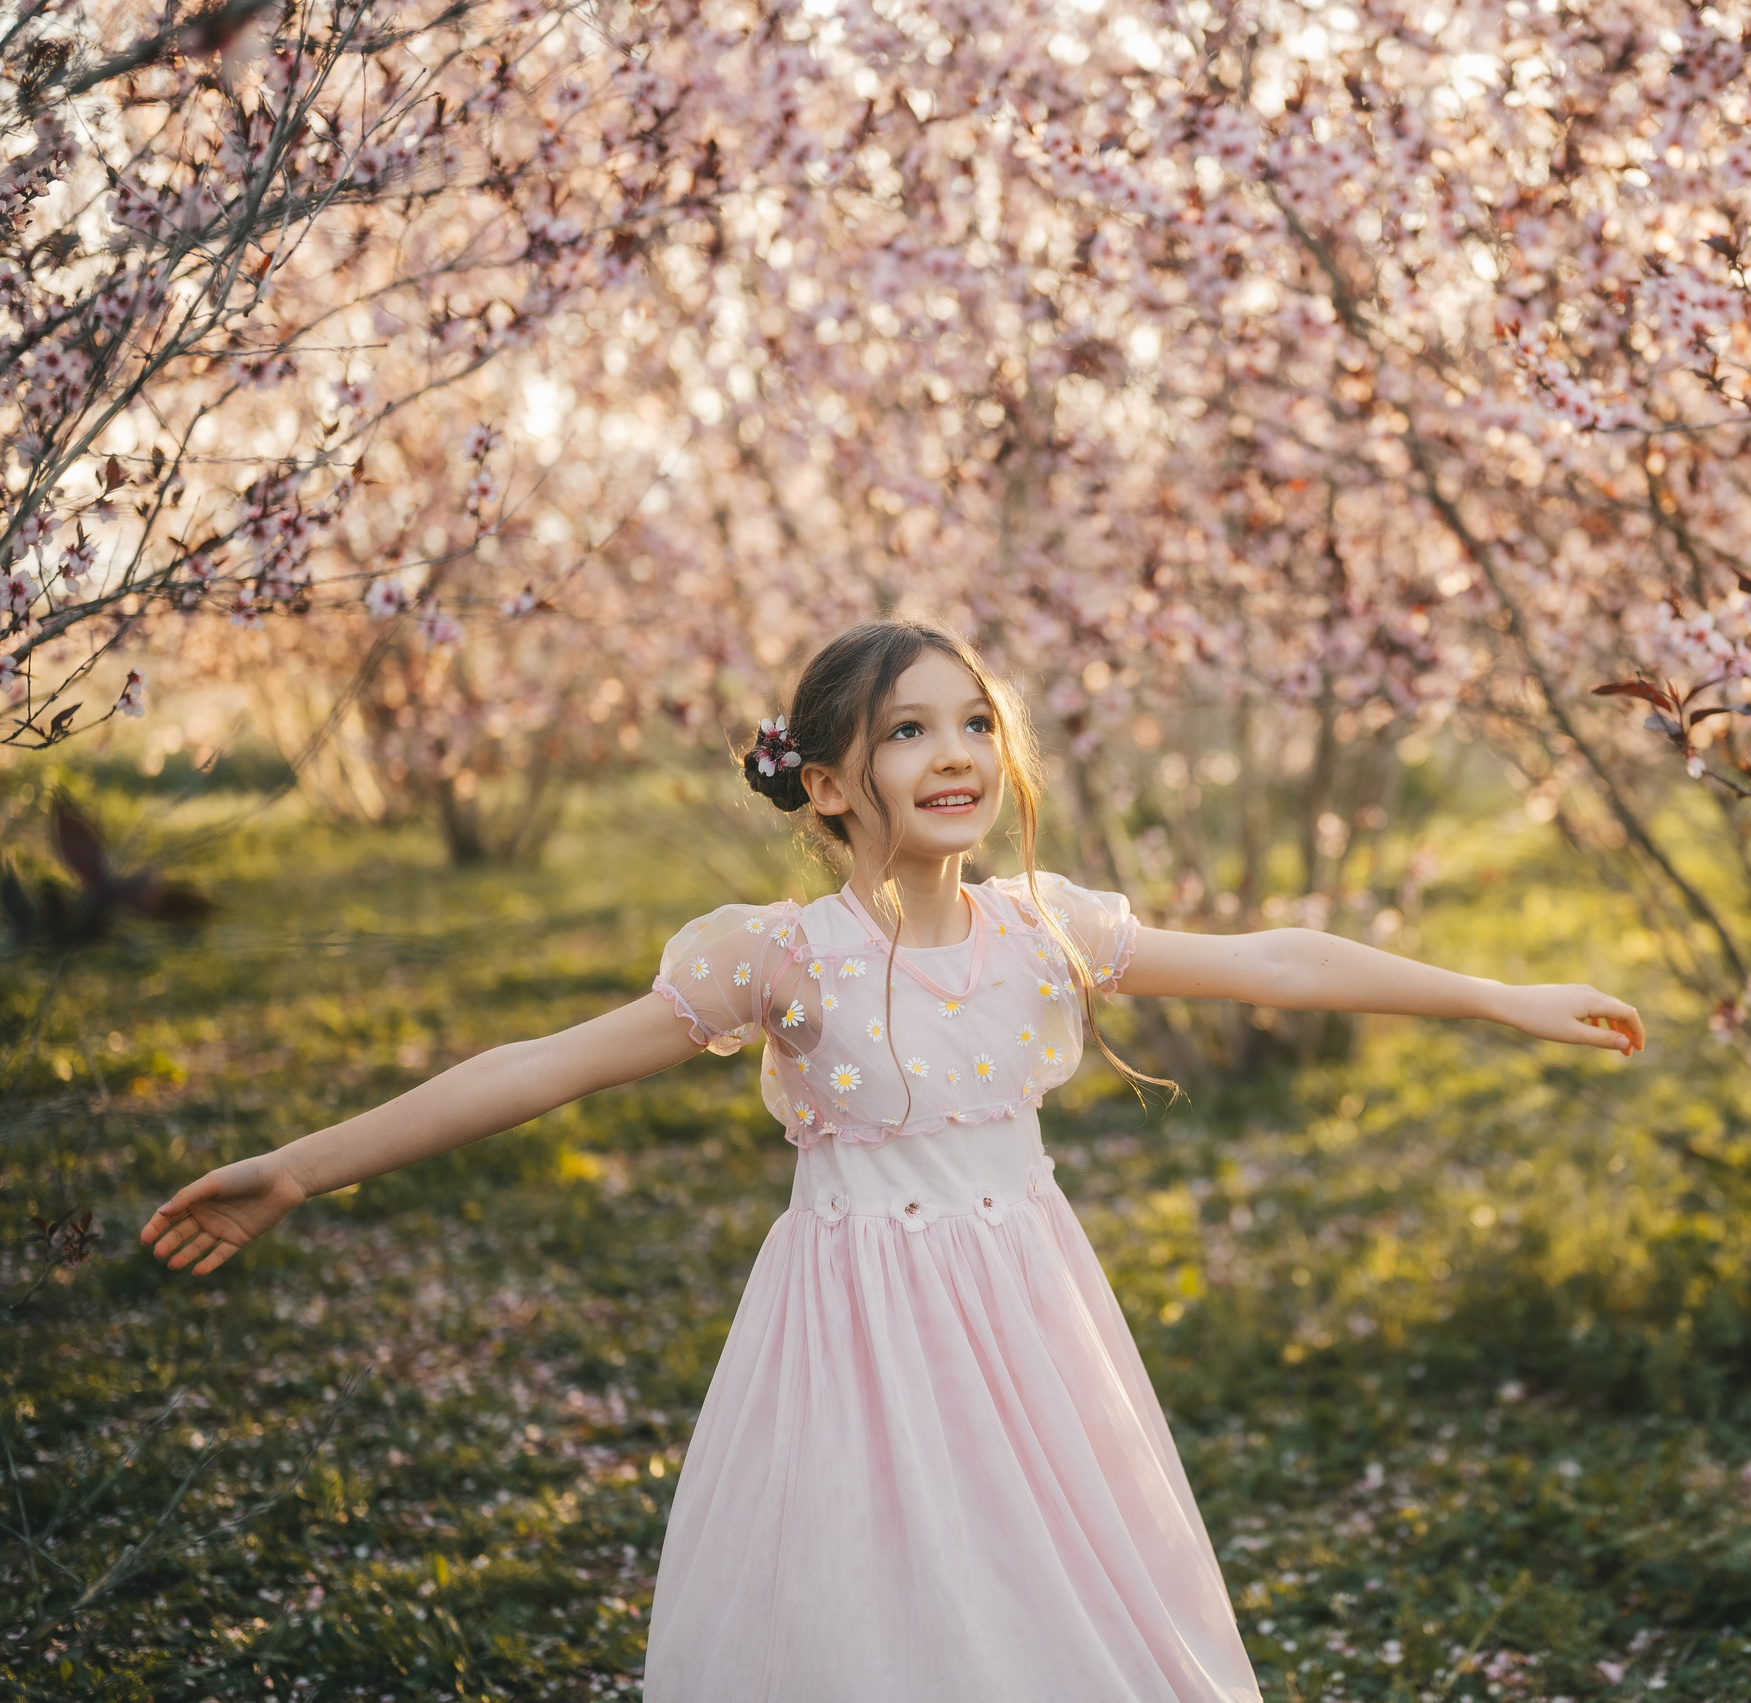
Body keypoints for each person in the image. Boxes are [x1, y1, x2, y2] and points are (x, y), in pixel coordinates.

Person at [140, 617, 1645, 1702]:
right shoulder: (783, 960)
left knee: (1061, 1601)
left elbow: (1281, 961)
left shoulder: (1043, 929)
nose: (955, 755)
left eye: (975, 723)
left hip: (1036, 1329)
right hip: (854, 1342)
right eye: (910, 731)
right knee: (882, 1616)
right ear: (830, 780)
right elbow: (541, 1067)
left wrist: (1493, 997)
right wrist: (303, 1167)